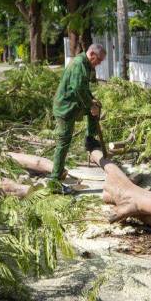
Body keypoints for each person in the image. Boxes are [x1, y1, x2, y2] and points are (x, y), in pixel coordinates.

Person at [49, 43, 107, 192]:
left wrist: (93, 101)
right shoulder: (79, 63)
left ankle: (90, 139)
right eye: (99, 60)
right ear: (92, 54)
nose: (99, 63)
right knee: (64, 142)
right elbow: (77, 88)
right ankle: (54, 181)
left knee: (97, 105)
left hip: (74, 105)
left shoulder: (86, 64)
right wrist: (90, 105)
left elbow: (84, 88)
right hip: (65, 108)